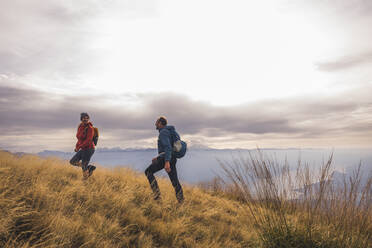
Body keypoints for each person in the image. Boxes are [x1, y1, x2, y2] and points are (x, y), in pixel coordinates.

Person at [145, 116, 184, 203]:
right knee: (175, 181)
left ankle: (157, 196)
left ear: (160, 123)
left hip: (166, 159)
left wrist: (166, 162)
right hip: (172, 158)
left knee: (148, 172)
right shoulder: (172, 131)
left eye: (157, 122)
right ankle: (181, 202)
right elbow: (171, 147)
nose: (155, 124)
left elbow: (167, 147)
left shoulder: (163, 132)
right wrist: (158, 157)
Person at [69, 112, 96, 179]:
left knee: (84, 166)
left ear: (88, 119)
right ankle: (89, 168)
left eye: (87, 118)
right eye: (84, 118)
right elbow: (79, 138)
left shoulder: (90, 128)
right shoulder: (80, 126)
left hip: (89, 149)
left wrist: (79, 147)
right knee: (72, 161)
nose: (86, 119)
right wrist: (77, 147)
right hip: (83, 148)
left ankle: (85, 181)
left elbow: (88, 140)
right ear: (81, 119)